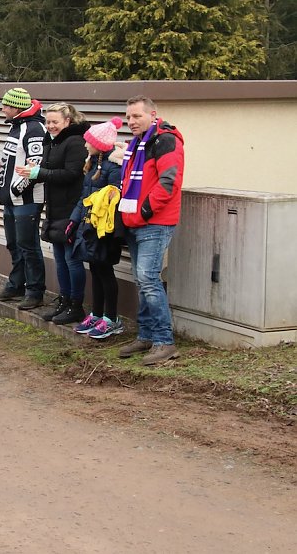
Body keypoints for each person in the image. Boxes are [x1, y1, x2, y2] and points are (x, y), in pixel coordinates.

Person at [117, 96, 184, 366]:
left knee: (148, 277)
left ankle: (164, 341)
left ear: (153, 115)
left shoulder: (165, 140)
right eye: (129, 117)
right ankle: (146, 336)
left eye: (137, 117)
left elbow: (169, 182)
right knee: (141, 278)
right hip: (134, 221)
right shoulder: (137, 143)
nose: (131, 122)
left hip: (154, 221)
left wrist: (144, 210)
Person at [16, 102, 89, 325]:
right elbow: (48, 172)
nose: (50, 126)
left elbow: (71, 173)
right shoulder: (51, 140)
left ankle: (76, 304)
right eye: (48, 122)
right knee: (59, 259)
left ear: (67, 121)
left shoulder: (75, 141)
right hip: (55, 209)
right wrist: (33, 170)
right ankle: (64, 301)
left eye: (55, 122)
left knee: (71, 259)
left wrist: (41, 172)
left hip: (72, 209)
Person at [68, 117, 127, 339]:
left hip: (105, 230)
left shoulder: (114, 168)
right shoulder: (92, 163)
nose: (85, 145)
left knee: (105, 271)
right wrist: (75, 220)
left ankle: (111, 318)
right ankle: (97, 313)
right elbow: (85, 197)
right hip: (90, 226)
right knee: (94, 269)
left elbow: (113, 201)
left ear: (100, 145)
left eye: (88, 141)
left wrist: (105, 229)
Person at [0, 87, 48, 310]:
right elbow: (17, 158)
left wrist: (15, 190)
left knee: (29, 245)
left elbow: (35, 164)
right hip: (10, 201)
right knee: (14, 244)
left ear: (17, 107)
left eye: (6, 106)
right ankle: (16, 285)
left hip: (26, 200)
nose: (3, 109)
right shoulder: (16, 127)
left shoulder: (34, 129)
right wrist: (4, 166)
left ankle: (35, 290)